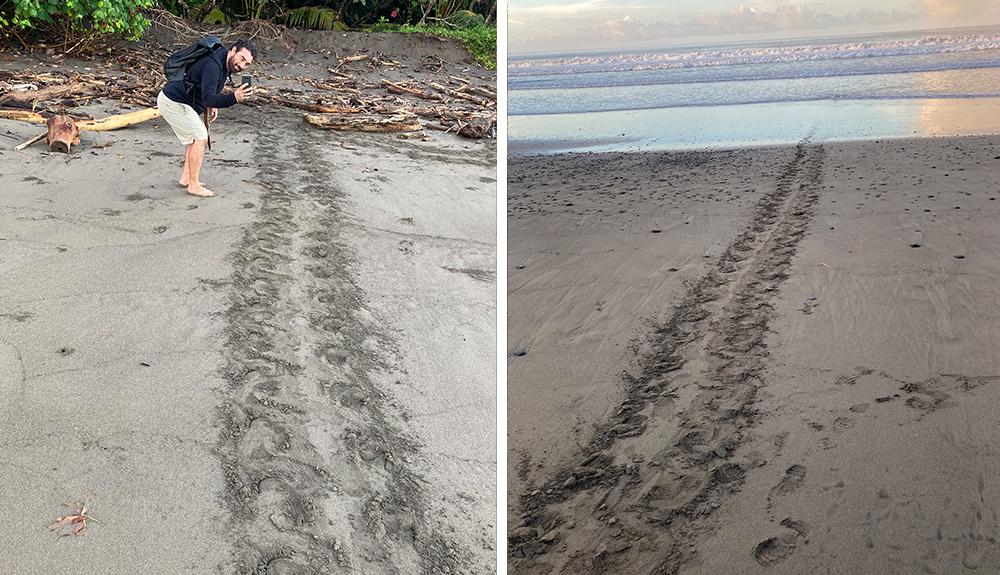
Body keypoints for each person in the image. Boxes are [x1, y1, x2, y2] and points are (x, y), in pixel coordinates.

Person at [157, 38, 256, 197]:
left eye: (247, 64)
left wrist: (213, 105)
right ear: (233, 50)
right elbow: (208, 97)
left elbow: (207, 89)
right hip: (172, 101)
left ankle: (186, 178)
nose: (242, 66)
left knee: (194, 137)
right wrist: (233, 98)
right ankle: (193, 185)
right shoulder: (213, 65)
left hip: (182, 102)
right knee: (200, 137)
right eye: (242, 59)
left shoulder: (224, 62)